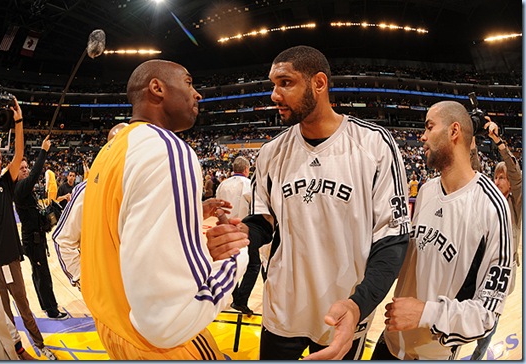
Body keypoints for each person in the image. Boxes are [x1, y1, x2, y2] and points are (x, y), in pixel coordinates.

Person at [242, 45, 410, 360]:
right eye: (273, 85)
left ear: (319, 83)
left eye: (285, 83)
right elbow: (263, 223)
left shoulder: (374, 145)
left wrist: (359, 303)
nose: (274, 95)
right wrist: (240, 234)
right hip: (282, 311)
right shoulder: (270, 153)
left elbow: (392, 239)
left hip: (344, 313)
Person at [80, 59, 250, 360]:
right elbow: (169, 319)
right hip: (160, 346)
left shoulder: (109, 152)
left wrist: (193, 227)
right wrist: (235, 259)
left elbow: (127, 238)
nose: (197, 94)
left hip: (113, 325)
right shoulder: (167, 148)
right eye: (188, 82)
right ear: (157, 88)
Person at [371, 101, 514, 360]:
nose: (422, 136)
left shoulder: (493, 206)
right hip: (390, 342)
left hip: (433, 353)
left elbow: (487, 314)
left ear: (454, 131)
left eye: (429, 126)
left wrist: (426, 313)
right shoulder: (426, 190)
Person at [0, 98, 57, 360]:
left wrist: (18, 121)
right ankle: (15, 350)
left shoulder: (7, 181)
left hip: (12, 258)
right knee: (4, 313)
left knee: (24, 307)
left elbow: (18, 154)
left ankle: (40, 345)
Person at [52, 122, 129, 289]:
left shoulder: (143, 185)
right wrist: (83, 280)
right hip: (106, 287)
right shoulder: (86, 190)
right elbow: (62, 239)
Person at [469, 118, 522, 360]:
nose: (497, 181)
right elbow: (476, 173)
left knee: (491, 318)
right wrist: (471, 144)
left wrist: (499, 143)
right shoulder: (488, 197)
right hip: (479, 265)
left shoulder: (516, 204)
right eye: (496, 177)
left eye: (502, 178)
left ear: (511, 184)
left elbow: (517, 175)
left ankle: (479, 355)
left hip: (502, 273)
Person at [14, 134, 68, 319]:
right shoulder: (19, 189)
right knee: (42, 275)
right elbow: (36, 174)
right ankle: (52, 310)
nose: (26, 170)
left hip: (36, 238)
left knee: (39, 274)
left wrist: (45, 218)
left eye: (26, 167)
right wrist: (43, 151)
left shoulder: (25, 190)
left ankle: (46, 306)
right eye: (21, 168)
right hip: (33, 241)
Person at [216, 156, 256, 316]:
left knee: (229, 263)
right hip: (244, 228)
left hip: (225, 228)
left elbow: (217, 207)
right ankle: (240, 300)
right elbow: (254, 208)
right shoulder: (249, 184)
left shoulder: (223, 184)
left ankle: (234, 296)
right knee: (254, 265)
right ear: (246, 169)